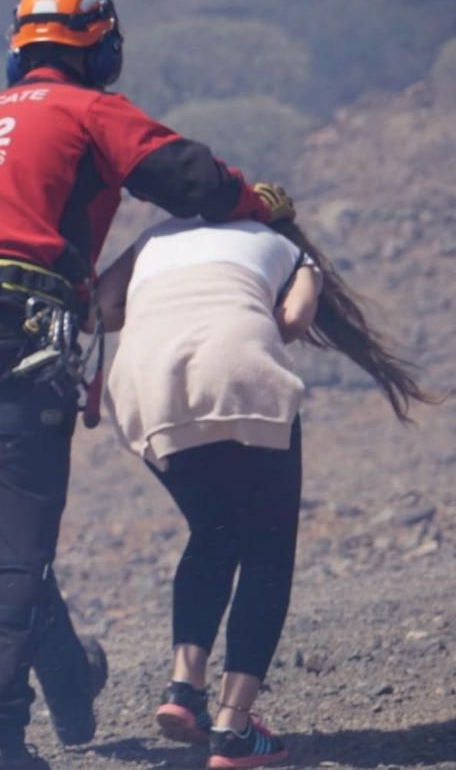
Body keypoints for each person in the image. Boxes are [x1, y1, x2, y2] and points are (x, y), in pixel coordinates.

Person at [0, 0, 294, 767]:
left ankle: (72, 682)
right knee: (19, 555)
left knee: (8, 538)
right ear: (102, 48)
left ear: (20, 47)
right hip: (13, 339)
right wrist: (260, 202)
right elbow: (191, 179)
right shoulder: (88, 111)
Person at [96, 216, 438, 769]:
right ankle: (233, 729)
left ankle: (185, 690)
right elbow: (294, 319)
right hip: (237, 369)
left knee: (212, 532)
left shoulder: (154, 237)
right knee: (268, 548)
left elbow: (104, 307)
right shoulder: (286, 247)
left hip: (142, 384)